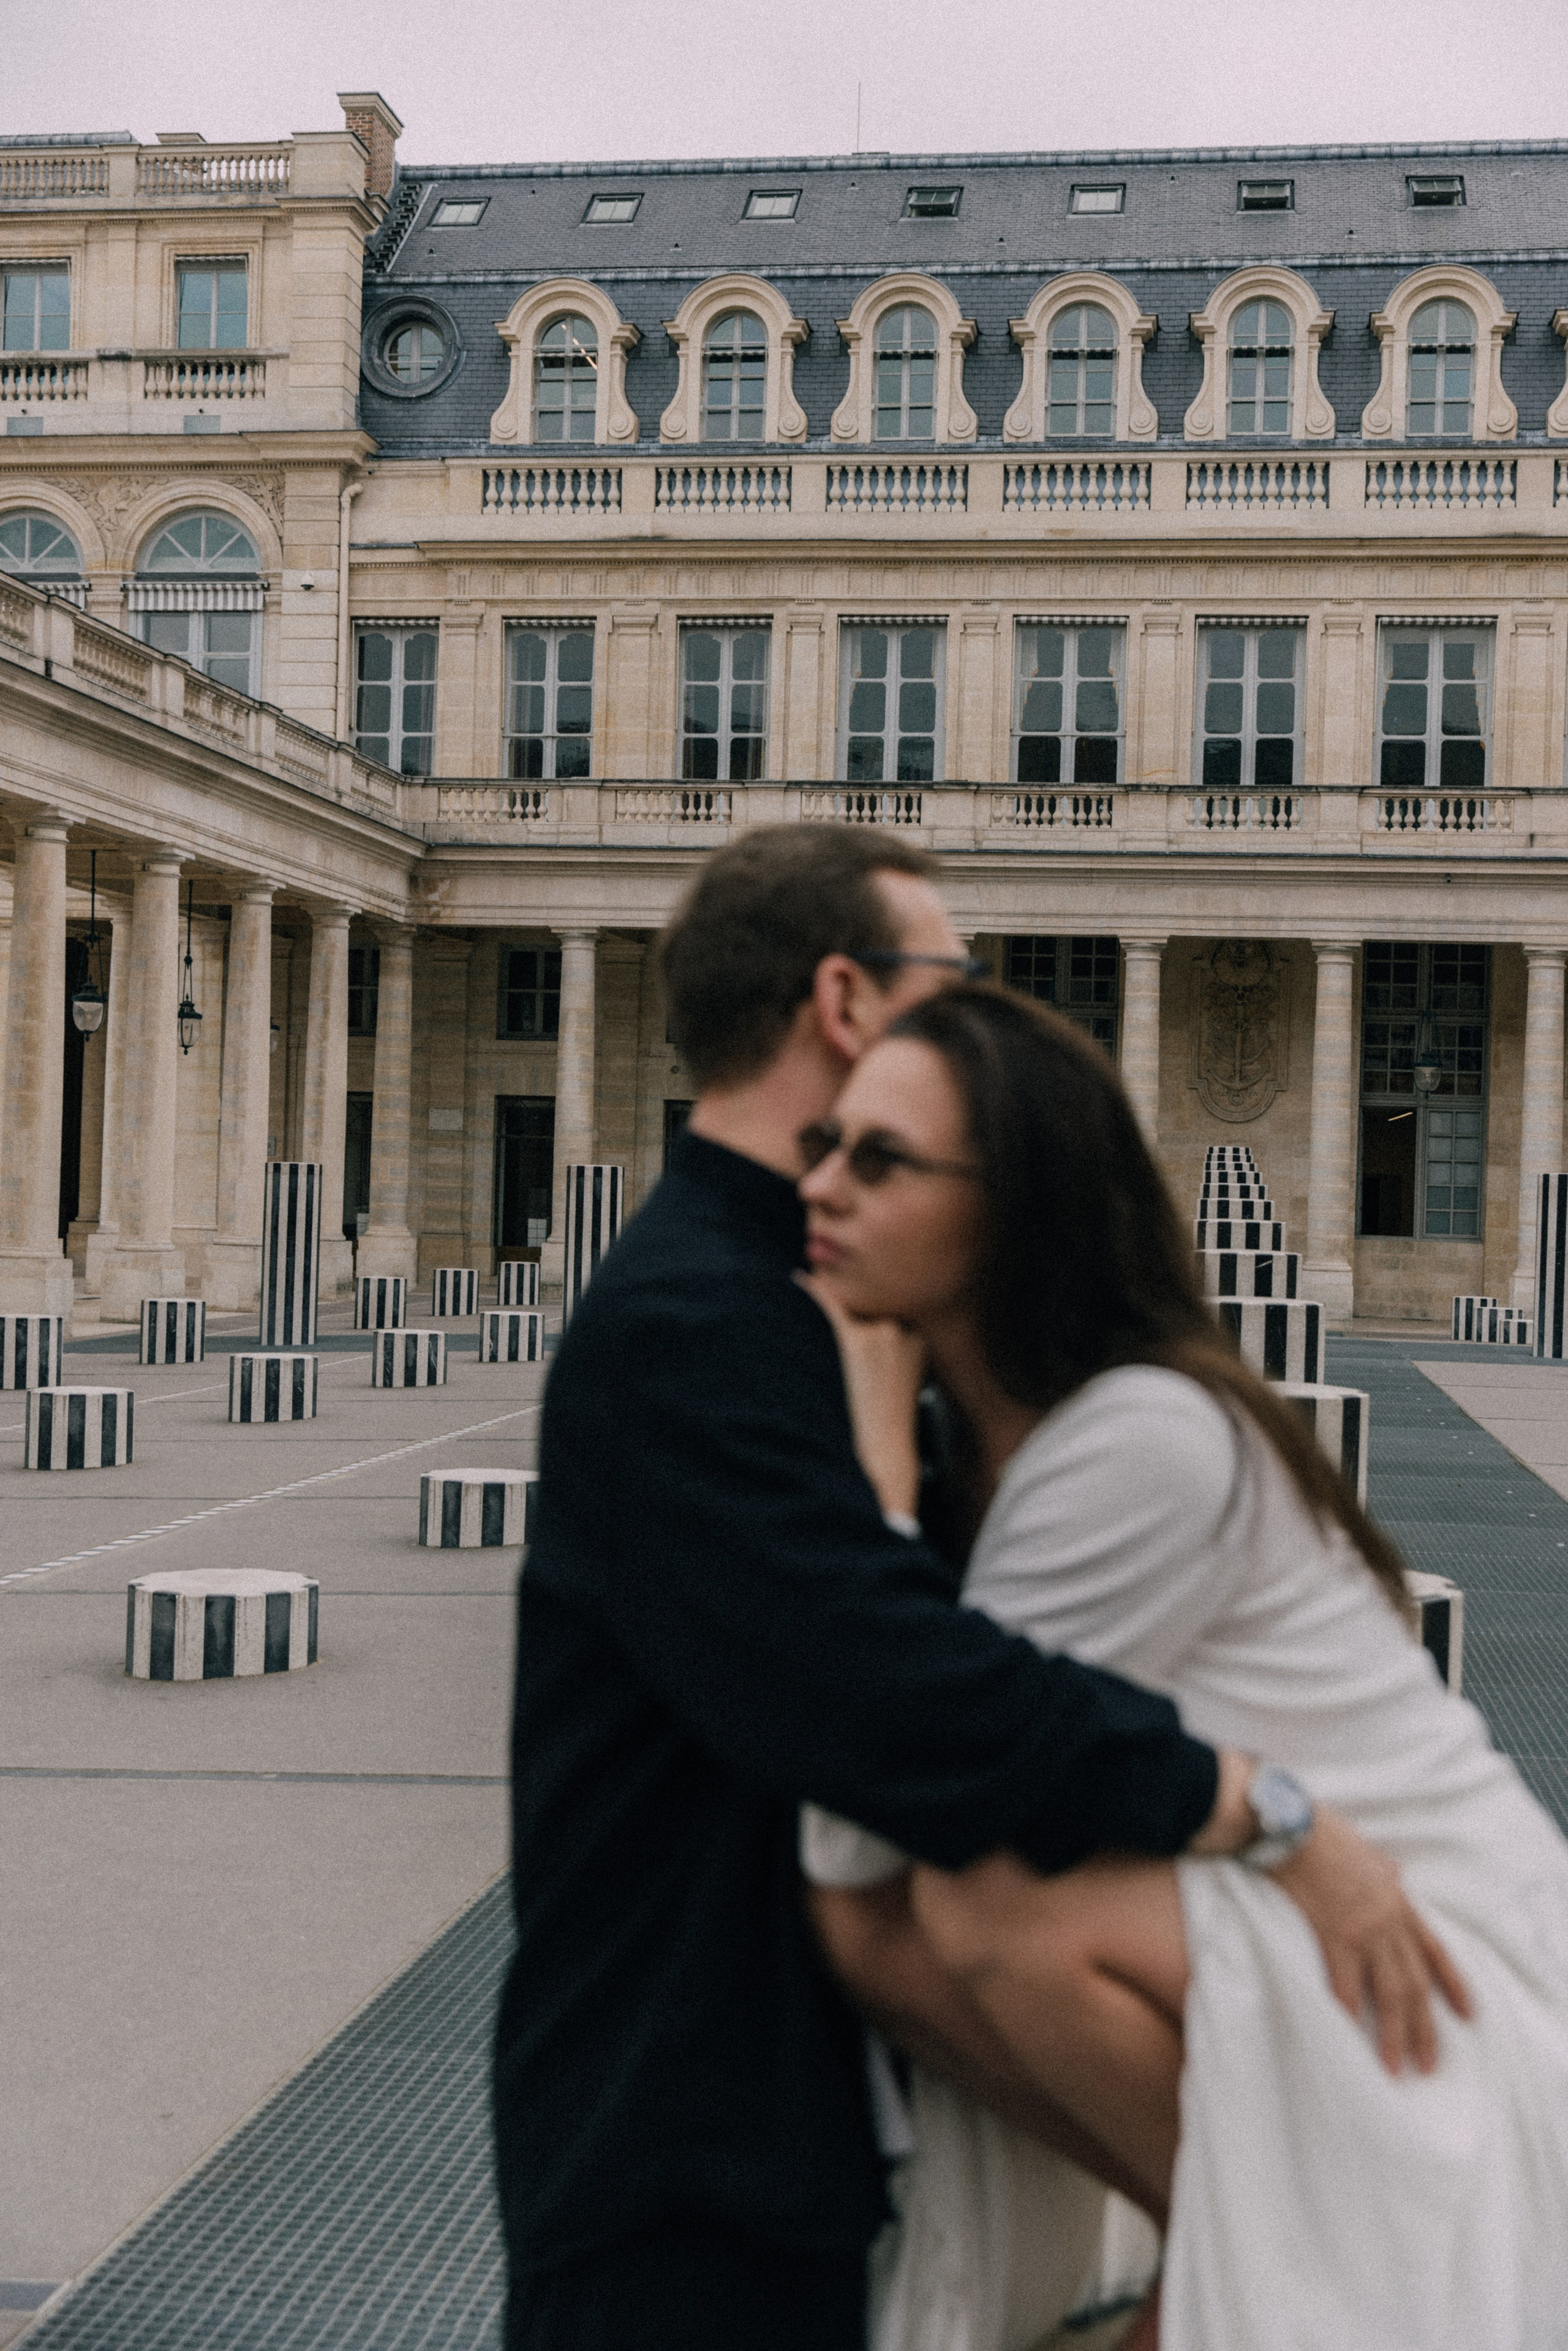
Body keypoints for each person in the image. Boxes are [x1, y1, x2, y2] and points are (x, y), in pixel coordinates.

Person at [494, 825, 1463, 2351]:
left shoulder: (843, 1307)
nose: (971, 1011)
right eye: (948, 977)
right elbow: (889, 1697)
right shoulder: (702, 1317)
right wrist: (1261, 1810)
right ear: (846, 1002)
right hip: (693, 2139)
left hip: (803, 2126)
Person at [798, 982, 1568, 2351]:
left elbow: (890, 1801)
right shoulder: (1007, 1433)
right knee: (909, 1913)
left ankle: (1256, 2245)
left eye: (878, 1159)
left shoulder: (1134, 1437)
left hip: (1433, 1958)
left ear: (1010, 1207)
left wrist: (871, 1489)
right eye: (824, 1143)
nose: (822, 1187)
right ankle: (1220, 2232)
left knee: (977, 1906)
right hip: (1306, 1906)